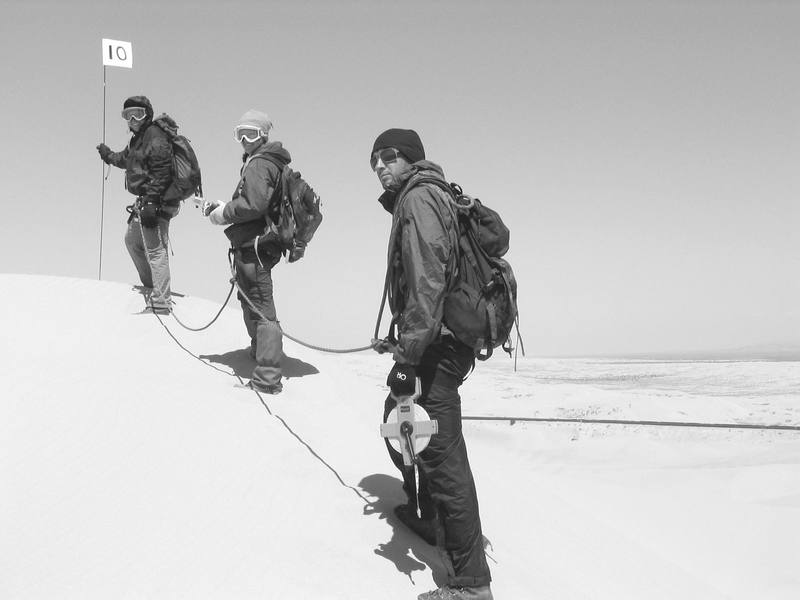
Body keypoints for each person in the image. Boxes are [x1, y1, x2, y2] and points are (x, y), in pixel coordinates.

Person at [370, 129, 493, 600]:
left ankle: (471, 585)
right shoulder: (425, 195)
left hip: (436, 348)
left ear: (411, 159)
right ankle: (428, 517)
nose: (381, 166)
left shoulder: (419, 199)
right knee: (400, 421)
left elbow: (427, 281)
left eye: (390, 156)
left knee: (442, 457)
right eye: (375, 159)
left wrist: (408, 354)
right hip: (437, 340)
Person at [202, 109, 288, 394]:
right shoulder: (263, 162)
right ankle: (259, 352)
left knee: (262, 307)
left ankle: (267, 377)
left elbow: (254, 204)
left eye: (250, 133)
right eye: (239, 134)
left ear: (263, 135)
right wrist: (224, 207)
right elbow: (252, 200)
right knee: (250, 298)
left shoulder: (260, 164)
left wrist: (224, 212)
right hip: (254, 244)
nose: (243, 140)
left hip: (256, 247)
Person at [96, 95, 178, 314]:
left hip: (157, 201)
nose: (132, 119)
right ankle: (153, 287)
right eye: (127, 115)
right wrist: (108, 156)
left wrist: (152, 201)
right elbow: (127, 159)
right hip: (145, 201)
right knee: (132, 240)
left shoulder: (155, 136)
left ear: (147, 114)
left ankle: (161, 302)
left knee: (155, 250)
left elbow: (162, 170)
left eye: (137, 114)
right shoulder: (137, 139)